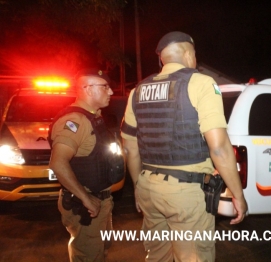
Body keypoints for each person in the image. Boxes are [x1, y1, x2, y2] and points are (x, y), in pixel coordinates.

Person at [121, 31, 248, 261]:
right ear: (189, 54)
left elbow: (129, 147)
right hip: (185, 193)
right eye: (195, 55)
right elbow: (219, 148)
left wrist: (138, 187)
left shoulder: (137, 91)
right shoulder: (201, 83)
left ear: (162, 59)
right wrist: (237, 194)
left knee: (157, 255)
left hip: (149, 188)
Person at [49, 69, 119, 261]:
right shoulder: (74, 121)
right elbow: (57, 162)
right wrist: (86, 199)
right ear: (87, 89)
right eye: (105, 87)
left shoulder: (93, 117)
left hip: (101, 201)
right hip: (84, 206)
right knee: (88, 255)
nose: (111, 92)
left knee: (99, 251)